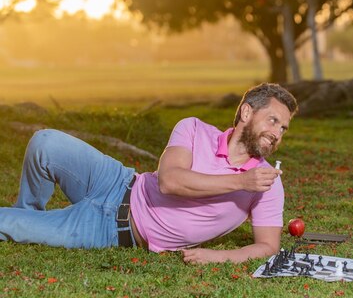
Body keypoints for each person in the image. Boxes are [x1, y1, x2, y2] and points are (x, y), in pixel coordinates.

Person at [0, 83, 298, 264]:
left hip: (113, 229)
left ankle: (26, 223)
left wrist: (219, 256)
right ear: (247, 113)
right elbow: (169, 181)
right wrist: (241, 181)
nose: (277, 133)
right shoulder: (193, 128)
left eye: (283, 128)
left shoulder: (266, 183)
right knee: (45, 142)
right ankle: (30, 214)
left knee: (6, 221)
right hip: (116, 181)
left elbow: (268, 246)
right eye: (272, 121)